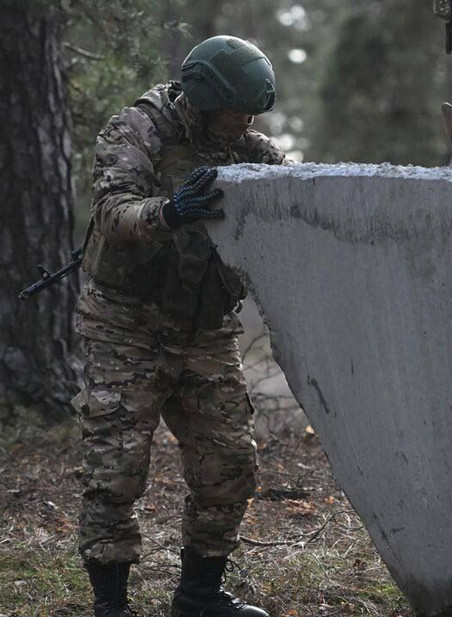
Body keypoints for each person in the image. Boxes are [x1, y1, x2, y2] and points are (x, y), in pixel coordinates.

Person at [72, 35, 292, 617]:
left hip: (204, 327)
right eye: (234, 111)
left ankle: (198, 598)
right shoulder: (137, 131)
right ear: (203, 100)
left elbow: (299, 192)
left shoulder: (247, 148)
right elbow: (111, 210)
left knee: (229, 464)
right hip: (125, 324)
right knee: (115, 469)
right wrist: (167, 213)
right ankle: (111, 605)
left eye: (250, 114)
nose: (243, 123)